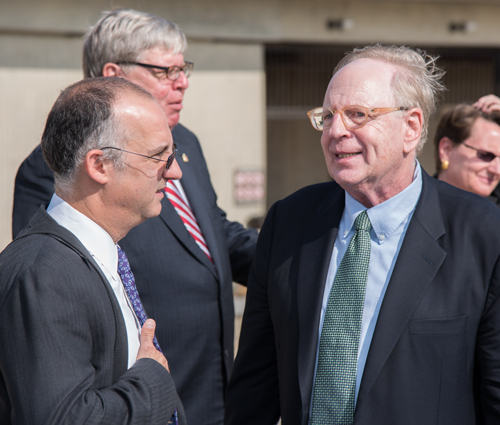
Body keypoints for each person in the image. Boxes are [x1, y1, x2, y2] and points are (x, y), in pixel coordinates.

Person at [225, 45, 500, 425]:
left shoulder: (483, 232)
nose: (336, 131)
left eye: (358, 115)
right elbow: (254, 386)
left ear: (412, 127)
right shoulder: (289, 221)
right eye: (328, 116)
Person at [12, 10, 257, 424]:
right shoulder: (57, 168)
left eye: (184, 69)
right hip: (133, 401)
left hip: (210, 393)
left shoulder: (187, 145)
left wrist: (302, 250)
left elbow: (213, 233)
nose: (182, 82)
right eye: (166, 70)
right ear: (114, 74)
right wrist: (145, 384)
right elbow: (59, 290)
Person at [0, 77, 186, 424]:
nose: (173, 171)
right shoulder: (44, 273)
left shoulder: (94, 256)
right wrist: (151, 379)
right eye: (159, 156)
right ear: (99, 165)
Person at [434, 104, 500, 198]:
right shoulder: (414, 205)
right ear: (446, 150)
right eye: (485, 155)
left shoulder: (496, 211)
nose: (497, 170)